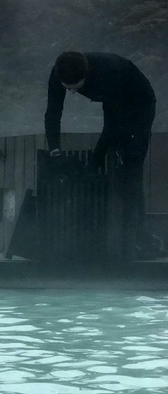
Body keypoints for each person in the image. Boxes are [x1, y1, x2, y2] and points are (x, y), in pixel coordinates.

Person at [44, 51, 159, 259]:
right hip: (117, 105)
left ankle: (137, 239)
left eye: (76, 88)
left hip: (139, 102)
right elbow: (53, 112)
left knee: (132, 167)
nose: (71, 92)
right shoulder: (59, 72)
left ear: (87, 76)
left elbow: (112, 124)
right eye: (66, 87)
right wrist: (55, 151)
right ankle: (134, 237)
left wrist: (94, 161)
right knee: (117, 154)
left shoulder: (108, 73)